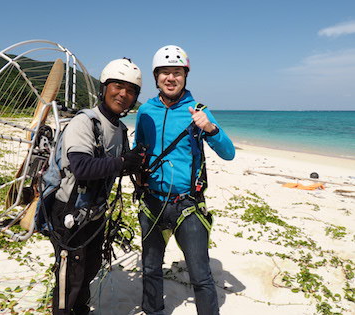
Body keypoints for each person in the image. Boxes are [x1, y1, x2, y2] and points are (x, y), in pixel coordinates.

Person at [134, 45, 235, 315]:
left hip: (187, 205)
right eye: (164, 73)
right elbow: (138, 152)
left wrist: (210, 129)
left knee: (200, 274)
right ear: (156, 77)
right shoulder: (145, 111)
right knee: (151, 268)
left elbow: (229, 153)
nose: (170, 78)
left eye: (176, 73)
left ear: (185, 76)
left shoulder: (199, 110)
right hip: (152, 202)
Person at [49, 58, 144, 315]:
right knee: (71, 276)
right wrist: (123, 161)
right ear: (104, 88)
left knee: (89, 269)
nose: (123, 94)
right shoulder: (85, 122)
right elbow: (82, 167)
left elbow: (118, 166)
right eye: (117, 86)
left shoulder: (120, 129)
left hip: (95, 214)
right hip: (69, 213)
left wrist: (136, 165)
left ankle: (81, 310)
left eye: (131, 90)